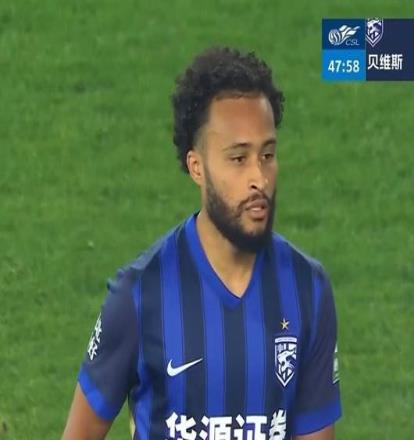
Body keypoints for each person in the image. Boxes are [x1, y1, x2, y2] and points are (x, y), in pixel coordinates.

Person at [63, 47, 341, 440]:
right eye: (238, 159)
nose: (259, 178)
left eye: (267, 154)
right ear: (198, 167)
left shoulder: (306, 289)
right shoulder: (140, 296)